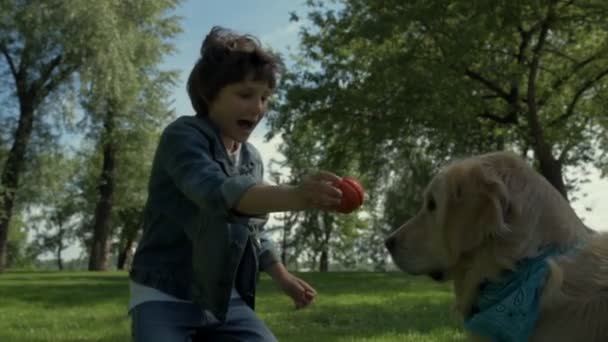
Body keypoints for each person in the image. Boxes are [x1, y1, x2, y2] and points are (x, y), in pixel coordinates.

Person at [128, 26, 343, 342]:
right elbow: (215, 191)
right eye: (245, 95)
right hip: (164, 293)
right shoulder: (183, 137)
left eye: (265, 98)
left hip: (223, 300)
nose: (258, 108)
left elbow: (254, 230)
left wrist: (283, 277)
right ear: (209, 94)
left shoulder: (252, 159)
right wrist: (298, 195)